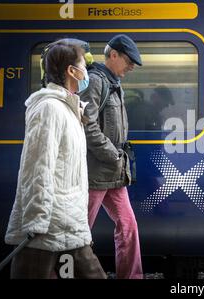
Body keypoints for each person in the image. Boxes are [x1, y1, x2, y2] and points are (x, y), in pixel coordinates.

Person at [5, 41, 106, 279]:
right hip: (47, 226)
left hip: (69, 222)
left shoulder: (70, 110)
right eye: (83, 66)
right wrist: (35, 222)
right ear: (72, 71)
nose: (87, 73)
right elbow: (37, 167)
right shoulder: (50, 108)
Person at [79, 34, 143, 279]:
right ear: (113, 55)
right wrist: (112, 155)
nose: (131, 67)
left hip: (114, 173)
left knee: (128, 226)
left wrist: (117, 160)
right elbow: (87, 126)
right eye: (128, 61)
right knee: (79, 232)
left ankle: (132, 276)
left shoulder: (114, 82)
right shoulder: (96, 81)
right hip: (96, 172)